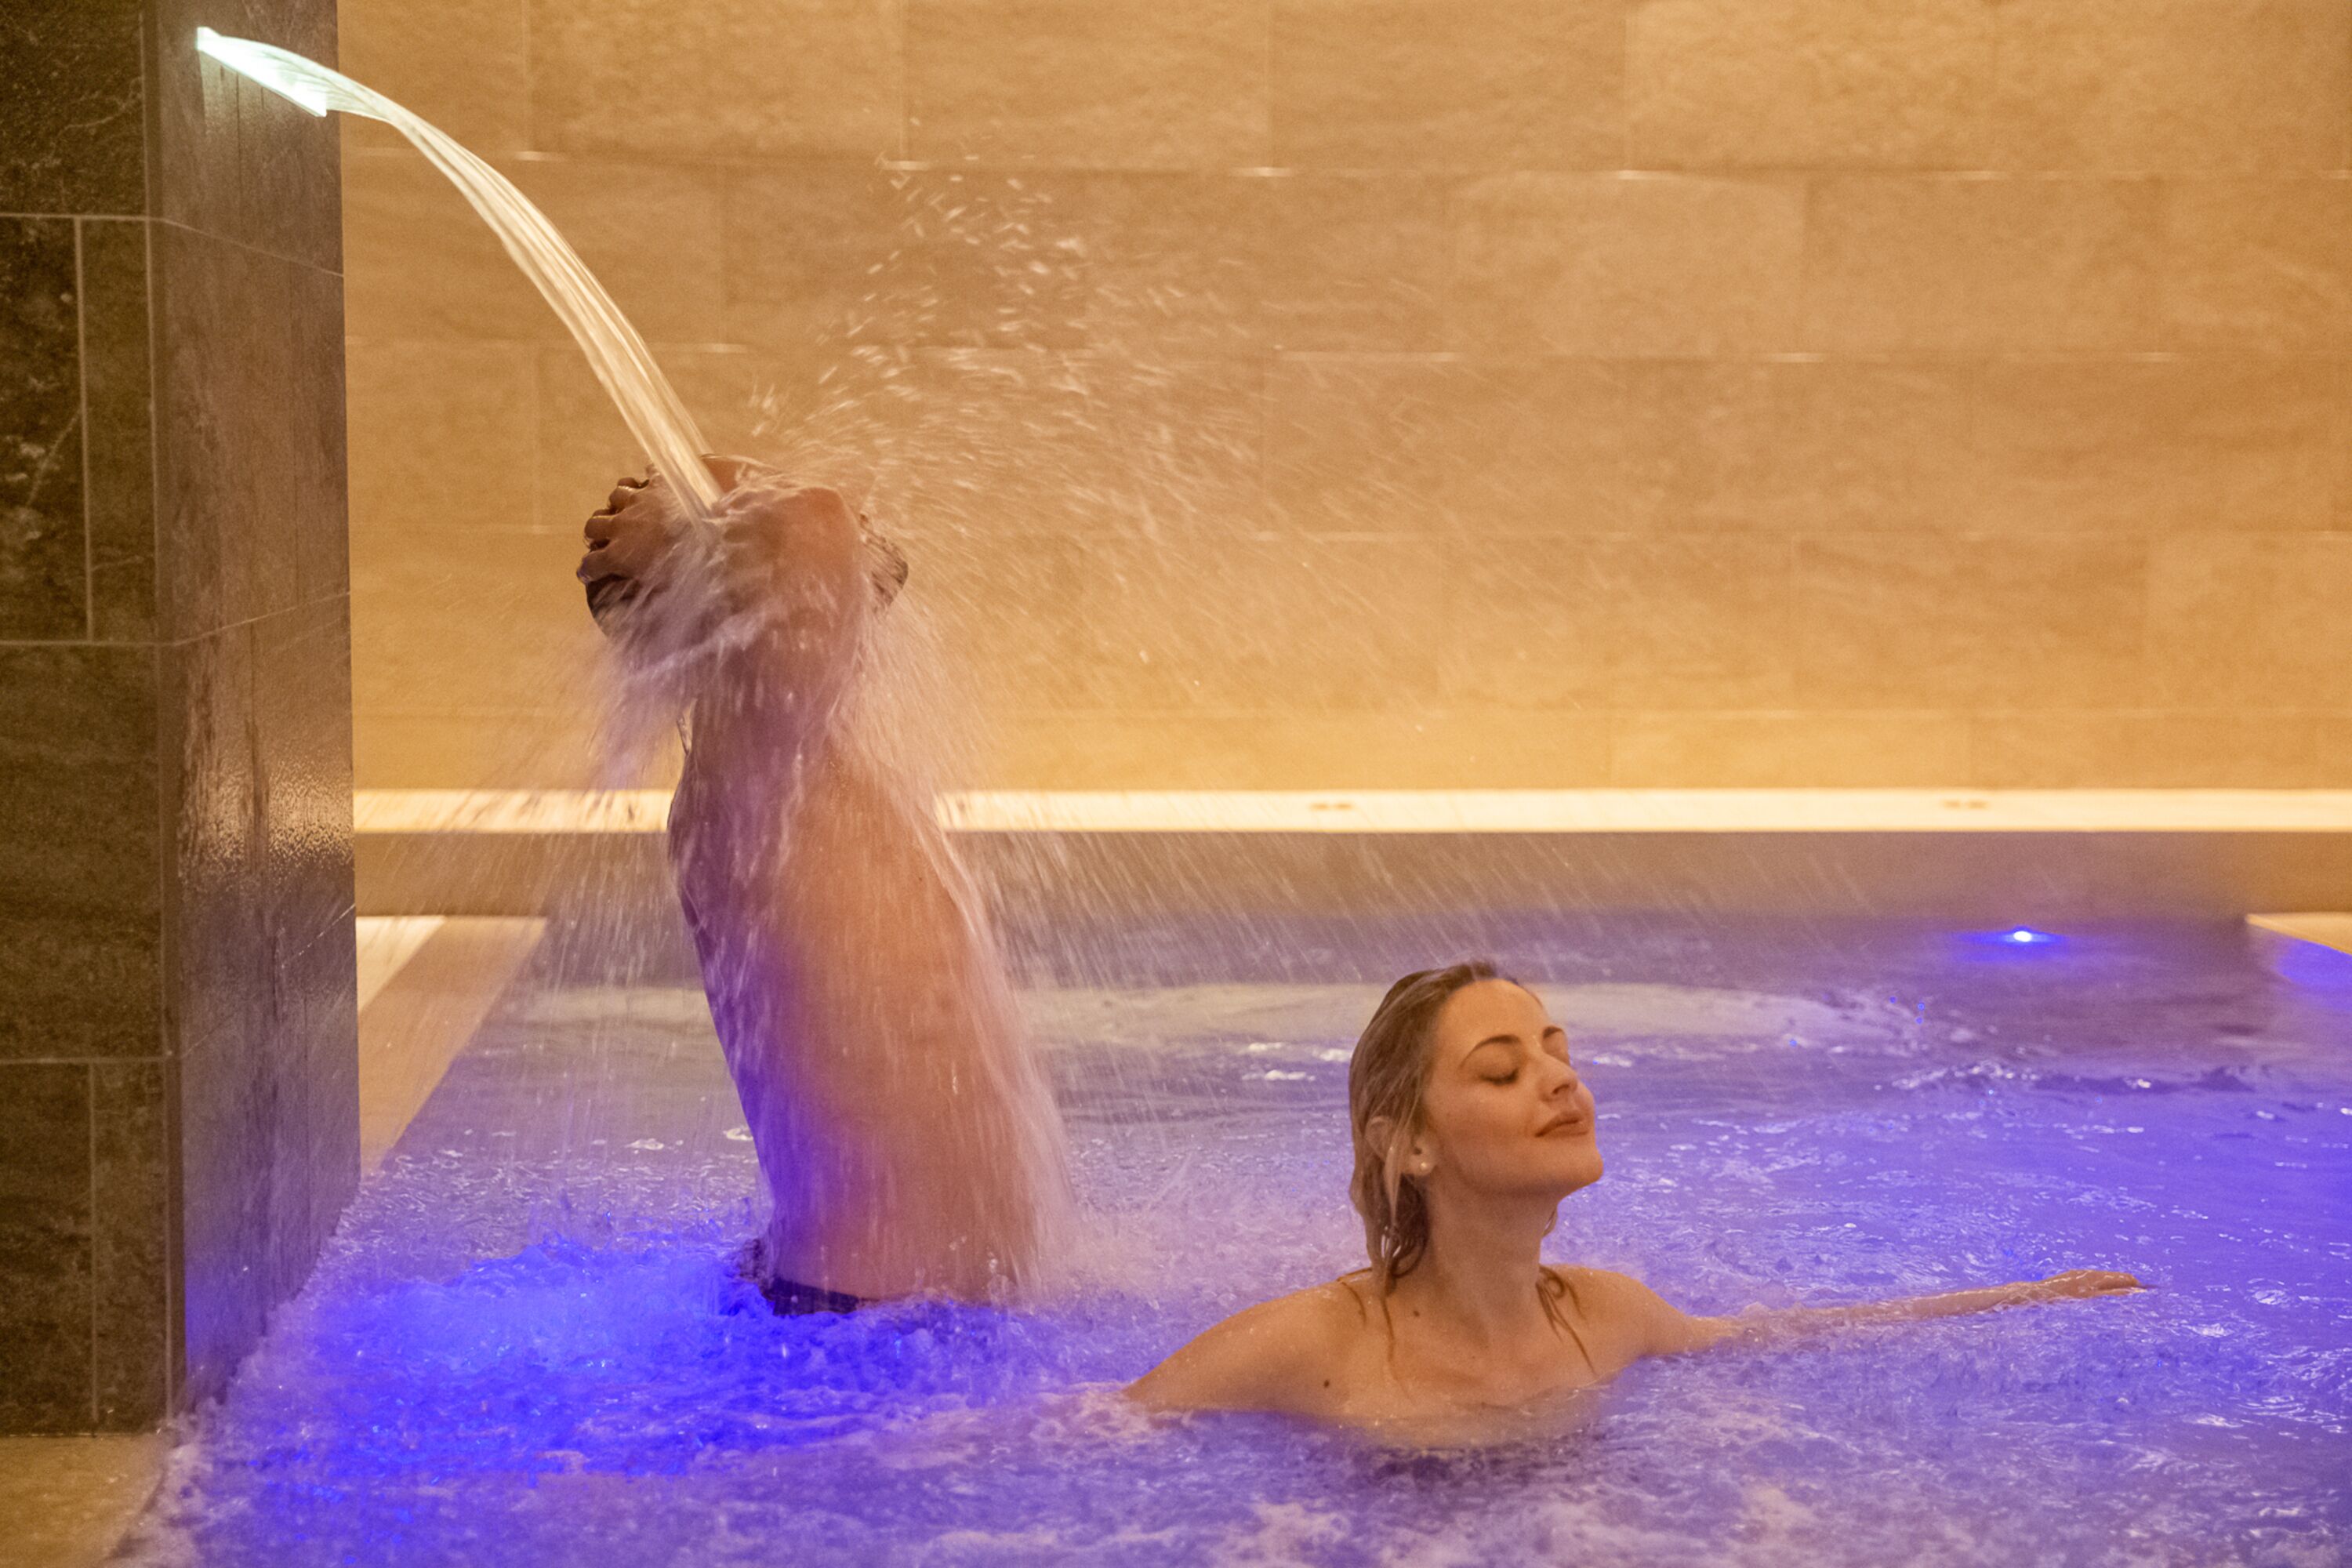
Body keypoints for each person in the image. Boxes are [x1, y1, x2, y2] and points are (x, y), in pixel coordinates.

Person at [1127, 960, 2143, 1438]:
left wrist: (2028, 1297)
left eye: (1558, 1054)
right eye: (1501, 1070)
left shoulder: (1607, 1318)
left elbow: (1793, 1335)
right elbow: (1083, 1432)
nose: (1562, 1082)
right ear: (1414, 1146)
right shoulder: (1318, 1347)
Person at [576, 456, 1069, 1311]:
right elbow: (817, 518)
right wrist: (695, 507)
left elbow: (822, 537)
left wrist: (704, 513)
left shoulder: (793, 766)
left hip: (888, 1307)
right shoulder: (756, 758)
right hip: (878, 1319)